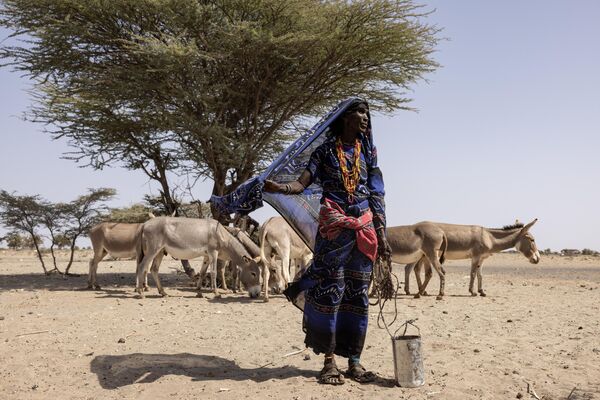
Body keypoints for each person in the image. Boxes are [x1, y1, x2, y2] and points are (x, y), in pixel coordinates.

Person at [263, 99, 391, 385]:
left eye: (367, 114)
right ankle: (329, 362)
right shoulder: (324, 153)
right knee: (330, 292)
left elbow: (377, 193)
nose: (366, 118)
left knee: (358, 294)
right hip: (333, 231)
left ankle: (355, 362)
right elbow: (301, 185)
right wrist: (280, 188)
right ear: (345, 117)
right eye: (360, 113)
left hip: (364, 231)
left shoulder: (368, 153)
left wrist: (382, 233)